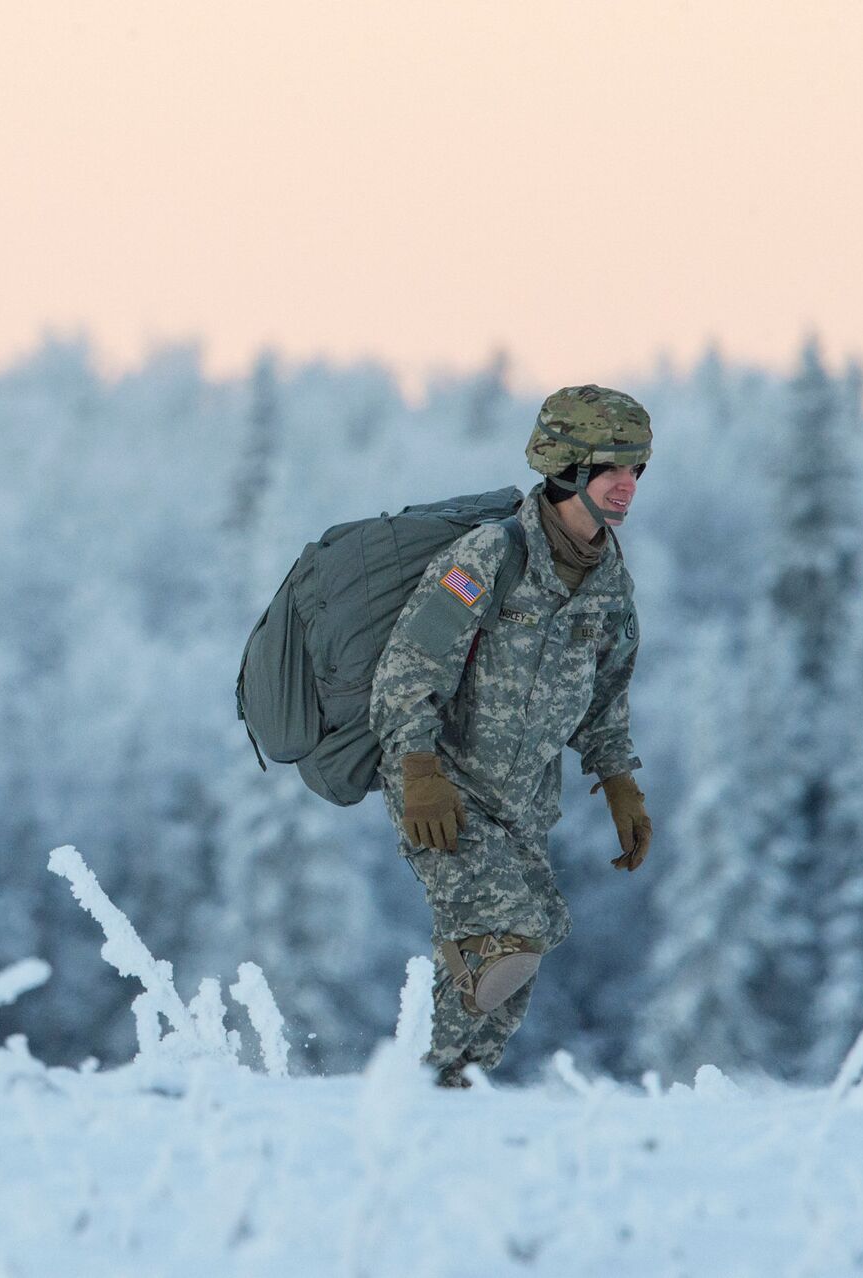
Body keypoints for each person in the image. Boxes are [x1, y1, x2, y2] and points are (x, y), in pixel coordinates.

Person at [371, 386, 654, 1086]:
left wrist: (619, 780)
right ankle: (414, 1086)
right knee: (504, 940)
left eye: (637, 469)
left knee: (524, 946)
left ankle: (444, 1084)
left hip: (525, 800)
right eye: (610, 467)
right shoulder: (491, 556)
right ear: (566, 469)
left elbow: (607, 694)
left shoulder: (609, 582)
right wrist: (419, 772)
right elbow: (408, 670)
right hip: (446, 786)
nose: (627, 485)